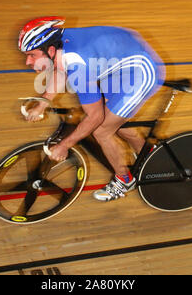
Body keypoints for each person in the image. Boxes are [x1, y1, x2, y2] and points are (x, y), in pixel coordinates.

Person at [18, 16, 165, 202]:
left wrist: (65, 145)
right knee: (115, 122)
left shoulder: (79, 65)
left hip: (140, 71)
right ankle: (150, 155)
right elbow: (60, 69)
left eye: (32, 55)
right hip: (120, 61)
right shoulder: (59, 47)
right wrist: (42, 103)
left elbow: (95, 117)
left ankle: (124, 179)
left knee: (101, 130)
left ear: (51, 50)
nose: (28, 62)